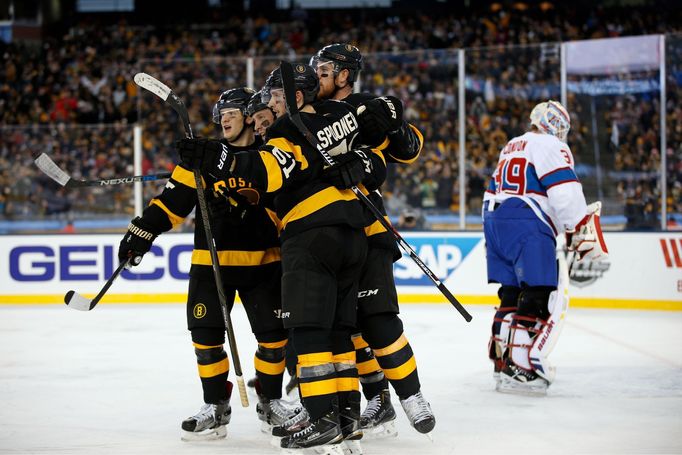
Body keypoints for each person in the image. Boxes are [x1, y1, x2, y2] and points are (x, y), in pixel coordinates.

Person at [176, 64, 382, 453]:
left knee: (309, 331)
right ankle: (346, 420)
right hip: (351, 234)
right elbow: (379, 153)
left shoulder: (288, 131)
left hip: (312, 238)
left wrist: (225, 162)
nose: (266, 107)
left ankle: (322, 419)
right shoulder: (336, 119)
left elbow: (270, 171)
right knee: (339, 331)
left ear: (296, 97)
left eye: (273, 98)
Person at [118, 87, 299, 441]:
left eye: (232, 111)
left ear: (250, 115)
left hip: (264, 262)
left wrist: (252, 207)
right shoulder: (202, 156)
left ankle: (271, 399)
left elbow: (286, 206)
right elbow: (172, 203)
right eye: (221, 114)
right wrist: (142, 231)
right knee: (205, 337)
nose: (223, 119)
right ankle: (216, 406)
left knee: (273, 338)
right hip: (210, 262)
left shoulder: (269, 156)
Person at [311, 43, 435, 437]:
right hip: (325, 233)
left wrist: (394, 121)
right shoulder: (307, 115)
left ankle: (411, 396)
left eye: (326, 69)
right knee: (343, 328)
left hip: (366, 227)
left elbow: (410, 147)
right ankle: (377, 399)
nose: (317, 75)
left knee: (378, 319)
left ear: (345, 74)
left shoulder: (366, 108)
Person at [483, 100, 609, 396]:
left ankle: (501, 363)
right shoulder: (551, 145)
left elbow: (494, 187)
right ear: (556, 125)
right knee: (539, 291)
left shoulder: (512, 144)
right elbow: (564, 190)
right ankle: (521, 365)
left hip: (494, 218)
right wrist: (578, 226)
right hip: (527, 218)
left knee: (511, 292)